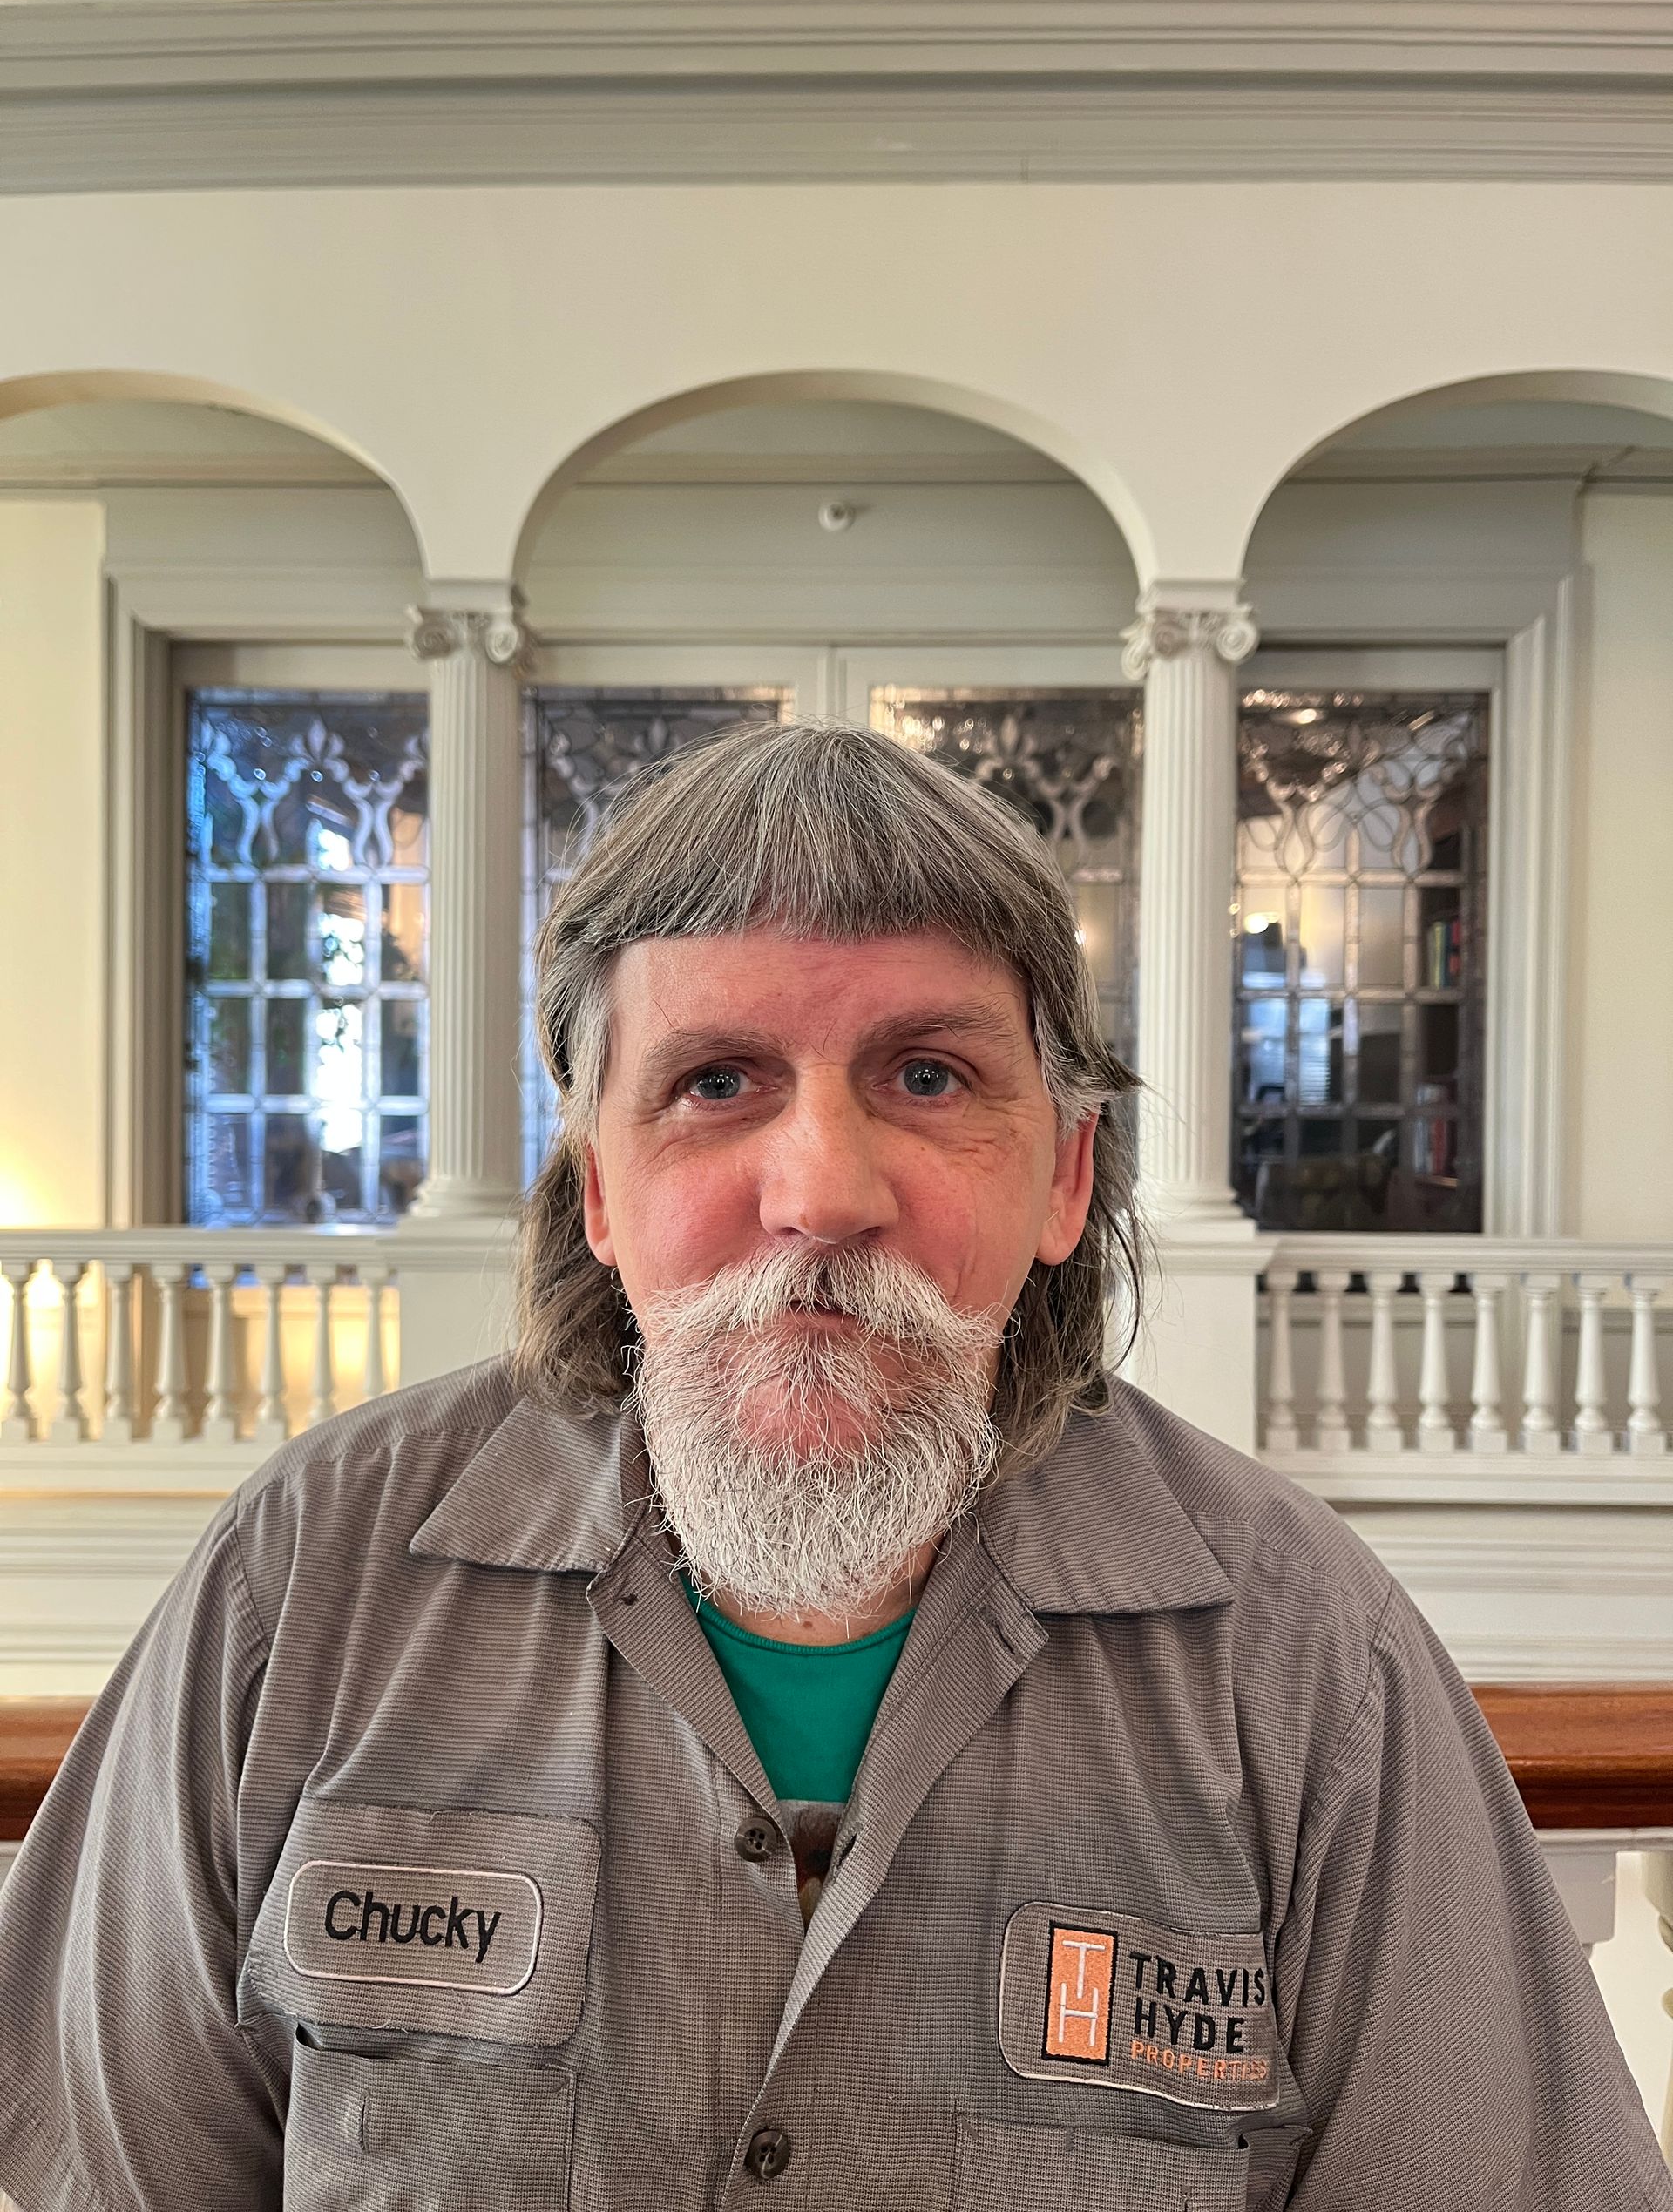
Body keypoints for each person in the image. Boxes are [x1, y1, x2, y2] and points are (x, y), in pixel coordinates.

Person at [0, 721, 1665, 2212]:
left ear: (1067, 1180)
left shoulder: (1313, 1665)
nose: (822, 1190)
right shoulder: (306, 1579)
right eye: (717, 1083)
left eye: (927, 1076)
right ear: (597, 1188)